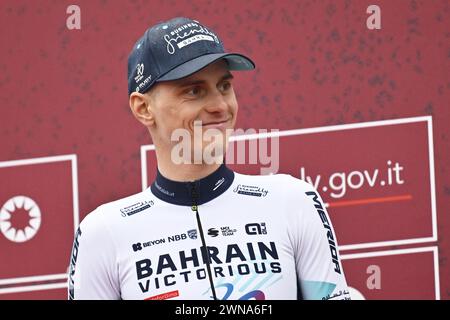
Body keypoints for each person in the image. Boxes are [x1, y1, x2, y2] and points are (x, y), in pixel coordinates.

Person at [67, 17, 351, 300]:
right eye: (194, 91)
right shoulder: (103, 233)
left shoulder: (292, 201)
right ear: (143, 108)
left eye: (224, 86)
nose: (220, 106)